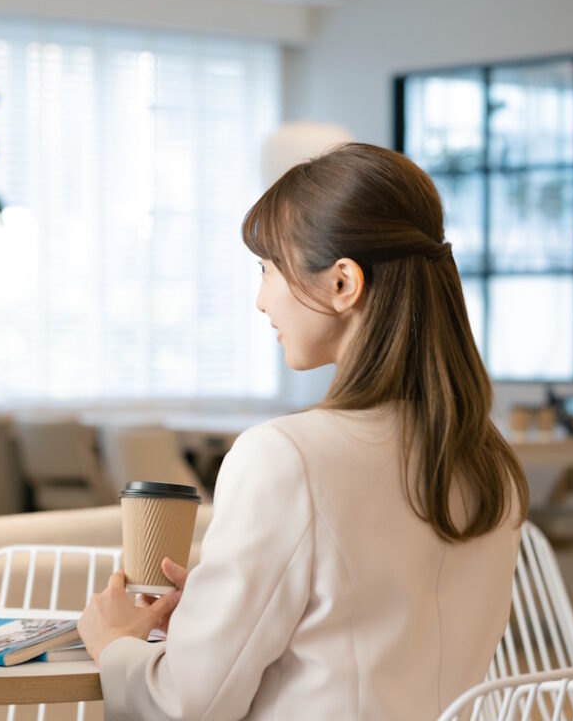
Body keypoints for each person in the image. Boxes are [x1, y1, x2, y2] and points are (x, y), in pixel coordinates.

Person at [78, 143, 529, 719]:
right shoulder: (490, 462)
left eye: (268, 269)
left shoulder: (285, 456)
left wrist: (115, 644)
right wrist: (218, 615)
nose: (261, 299)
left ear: (343, 283)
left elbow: (188, 703)